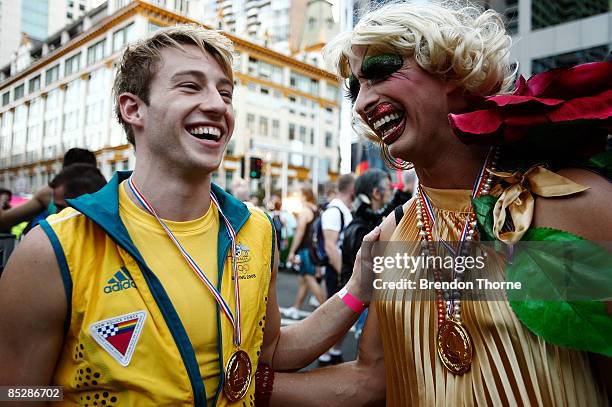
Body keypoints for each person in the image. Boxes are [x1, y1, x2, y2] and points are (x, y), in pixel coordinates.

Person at [0, 24, 379, 406]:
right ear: (133, 108)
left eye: (225, 92)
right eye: (190, 86)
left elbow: (268, 351)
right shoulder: (53, 249)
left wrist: (357, 290)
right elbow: (16, 391)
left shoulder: (255, 230)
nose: (217, 105)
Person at [267, 1, 611, 405]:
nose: (362, 103)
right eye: (356, 89)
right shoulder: (395, 233)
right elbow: (373, 379)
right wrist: (230, 389)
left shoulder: (570, 202)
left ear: (453, 72)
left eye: (380, 72)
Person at [0, 148, 97, 230]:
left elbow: (5, 220)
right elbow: (4, 220)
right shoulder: (103, 192)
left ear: (64, 169)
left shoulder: (49, 192)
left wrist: (2, 201)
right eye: (60, 208)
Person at [319, 173, 355, 364]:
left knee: (344, 316)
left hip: (343, 271)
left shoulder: (344, 210)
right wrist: (346, 275)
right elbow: (330, 247)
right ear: (352, 189)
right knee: (334, 315)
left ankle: (334, 352)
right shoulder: (334, 211)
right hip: (338, 272)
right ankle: (324, 356)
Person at [340, 169, 392, 288]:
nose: (392, 192)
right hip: (360, 303)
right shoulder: (360, 231)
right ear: (376, 193)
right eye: (389, 188)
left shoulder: (370, 223)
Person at [286, 186, 326, 319]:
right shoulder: (316, 210)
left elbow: (300, 232)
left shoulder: (305, 211)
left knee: (309, 278)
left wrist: (292, 251)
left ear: (304, 196)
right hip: (313, 250)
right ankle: (296, 308)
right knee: (303, 280)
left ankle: (326, 310)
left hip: (306, 250)